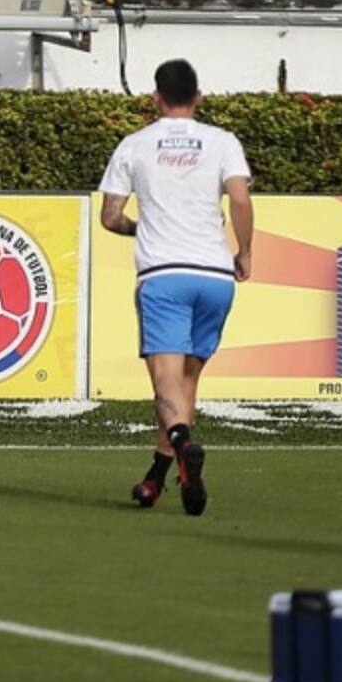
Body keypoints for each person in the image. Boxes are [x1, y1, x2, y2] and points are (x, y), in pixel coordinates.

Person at [98, 59, 253, 516]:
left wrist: (138, 230)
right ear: (199, 98)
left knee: (166, 385)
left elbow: (110, 216)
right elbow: (241, 199)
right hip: (215, 276)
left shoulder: (136, 144)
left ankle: (183, 445)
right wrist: (244, 251)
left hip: (164, 275)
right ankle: (156, 479)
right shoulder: (223, 141)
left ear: (155, 98)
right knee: (186, 384)